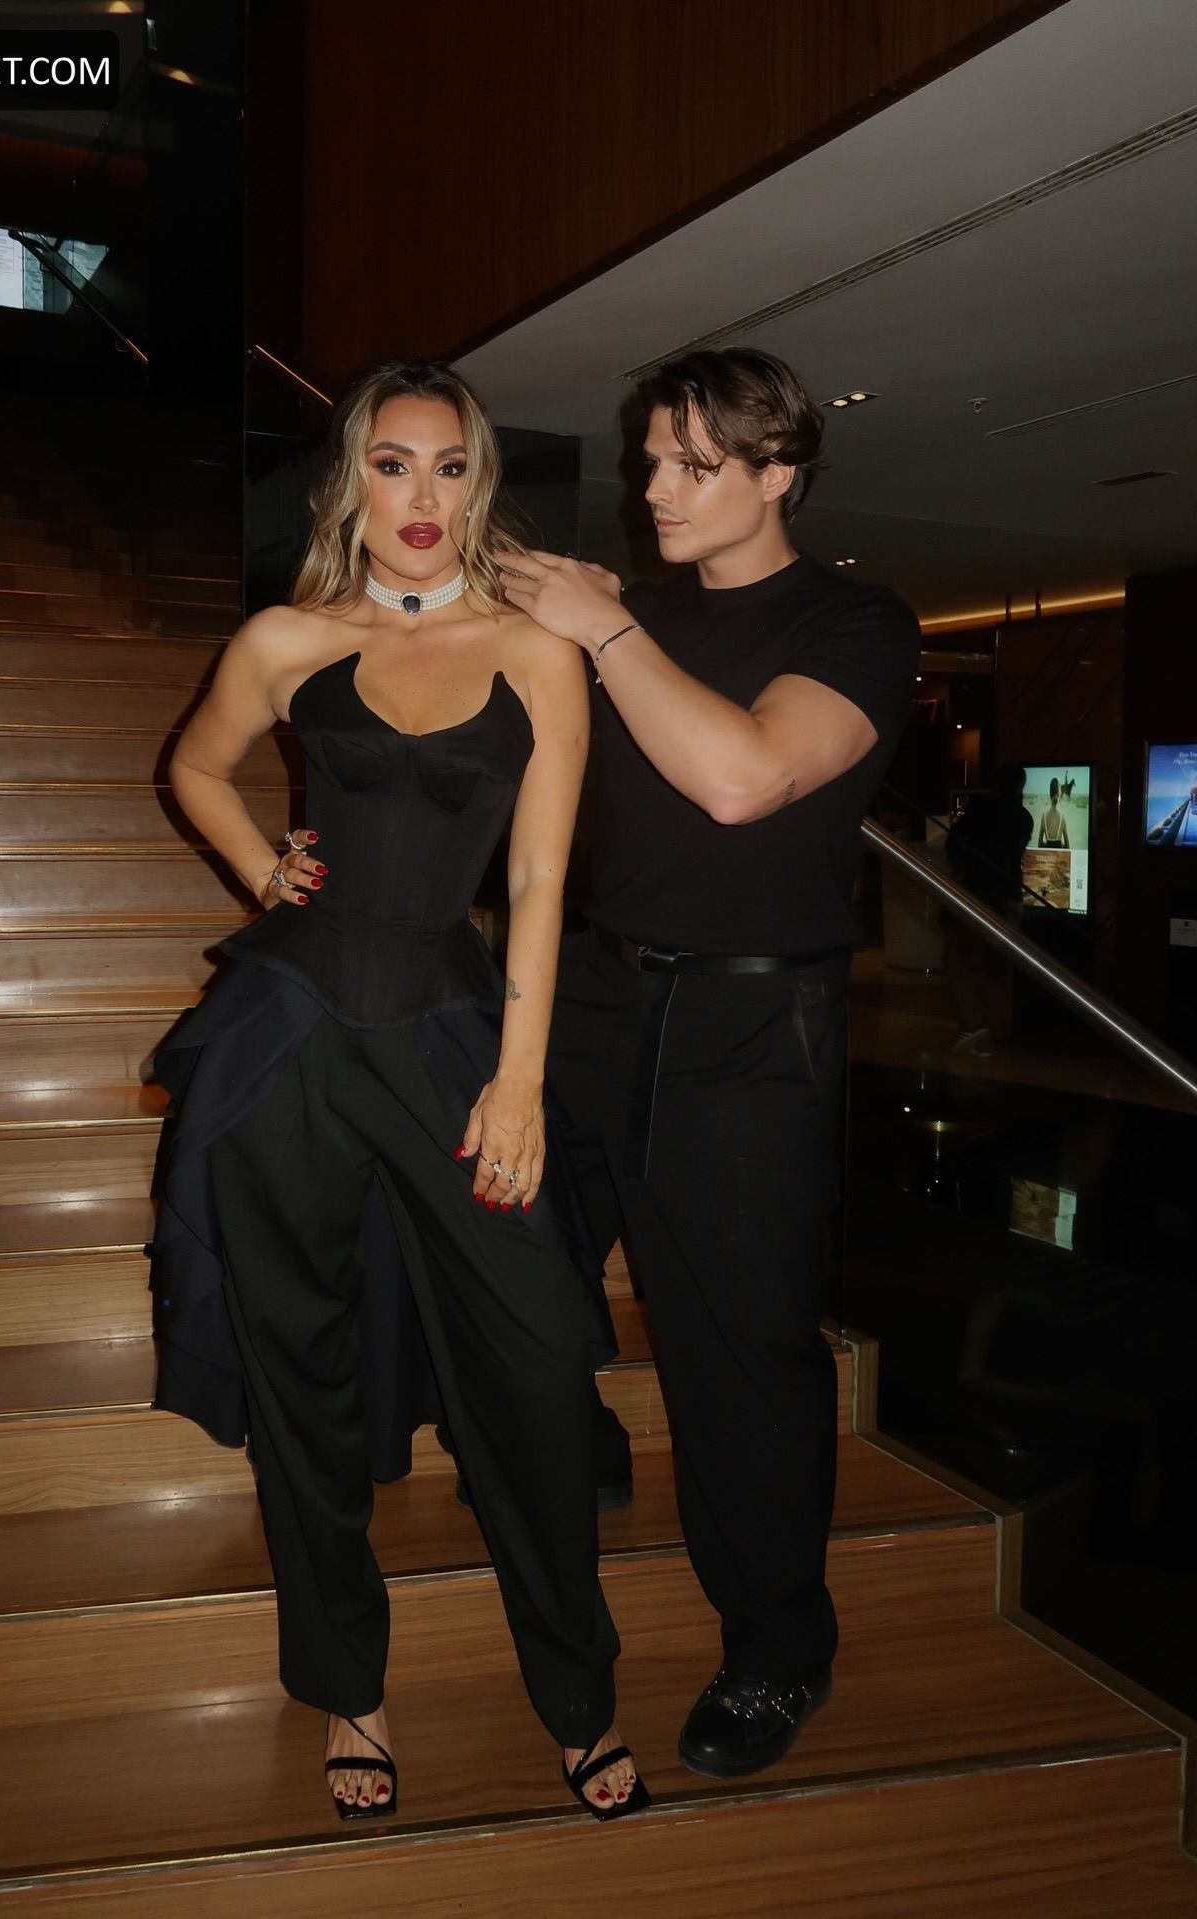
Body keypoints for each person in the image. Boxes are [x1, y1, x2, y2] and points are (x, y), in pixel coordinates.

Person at [146, 360, 647, 1824]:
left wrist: (521, 1080)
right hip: (287, 1041)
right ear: (349, 480)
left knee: (537, 1359)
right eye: (390, 462)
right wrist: (264, 868)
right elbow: (196, 766)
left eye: (448, 465)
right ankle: (348, 1685)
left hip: (450, 1035)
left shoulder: (536, 650)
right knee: (300, 1368)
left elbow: (539, 877)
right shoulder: (287, 636)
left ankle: (578, 1691)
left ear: (478, 482)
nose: (420, 495)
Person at [497, 347, 921, 1779]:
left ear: (779, 472)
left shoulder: (853, 622)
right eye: (652, 458)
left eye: (694, 464)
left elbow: (742, 777)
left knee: (740, 1350)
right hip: (593, 994)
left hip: (749, 1029)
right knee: (511, 1259)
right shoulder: (634, 610)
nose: (656, 487)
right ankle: (584, 1444)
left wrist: (605, 628)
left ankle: (778, 1643)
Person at [943, 763, 1033, 1055]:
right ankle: (997, 1028)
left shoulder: (980, 811)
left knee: (958, 959)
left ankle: (973, 1023)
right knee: (998, 966)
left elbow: (953, 845)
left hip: (977, 895)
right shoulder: (1024, 818)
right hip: (1010, 897)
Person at [1037, 775, 1071, 848]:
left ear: (1050, 794)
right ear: (1058, 794)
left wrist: (1047, 845)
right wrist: (1060, 845)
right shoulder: (1062, 818)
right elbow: (1067, 846)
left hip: (1047, 855)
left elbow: (1039, 844)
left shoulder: (1044, 816)